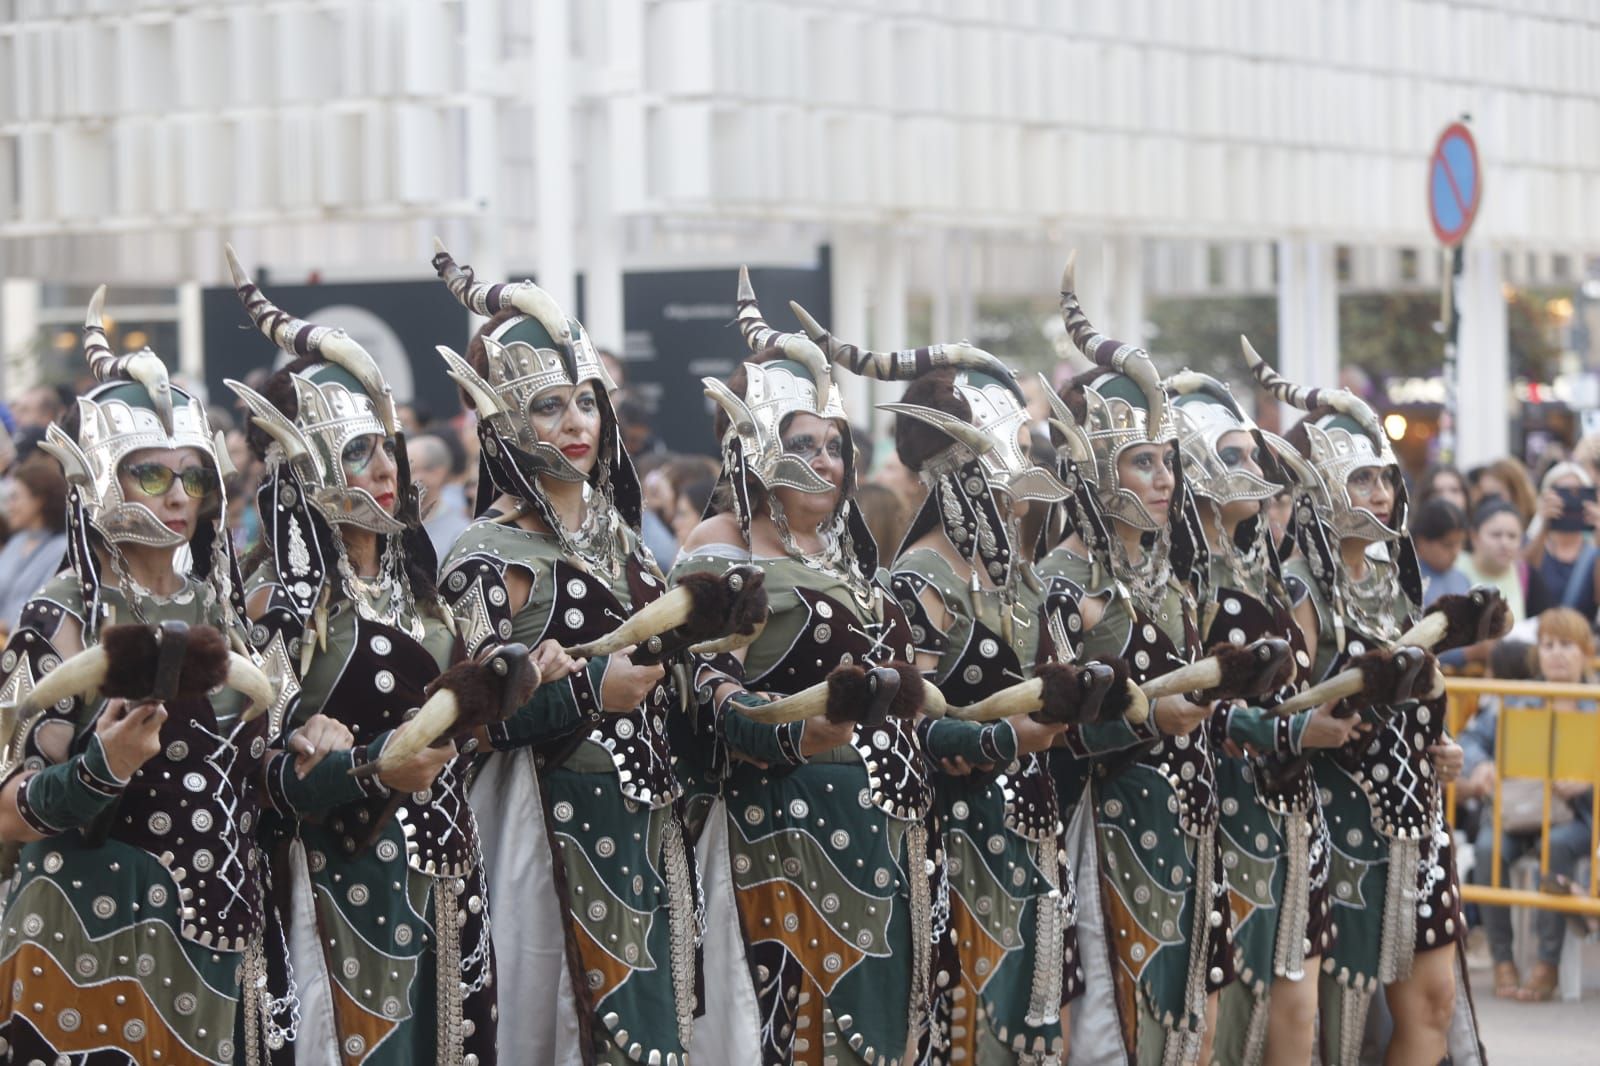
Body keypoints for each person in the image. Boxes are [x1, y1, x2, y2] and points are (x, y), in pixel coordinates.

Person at [225, 250, 513, 1065]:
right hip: (342, 878)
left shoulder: (424, 591)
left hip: (449, 865)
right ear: (306, 467)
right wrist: (338, 759)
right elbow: (257, 771)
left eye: (389, 448)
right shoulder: (275, 607)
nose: (387, 470)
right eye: (358, 453)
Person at [0, 288, 286, 1064]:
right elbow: (10, 811)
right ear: (101, 479)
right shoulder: (58, 615)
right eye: (150, 475)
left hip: (226, 927)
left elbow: (260, 774)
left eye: (193, 477)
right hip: (90, 932)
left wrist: (329, 748)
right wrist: (104, 767)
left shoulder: (224, 610)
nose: (178, 497)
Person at [431, 243, 700, 1065]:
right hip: (538, 825)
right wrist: (592, 694)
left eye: (586, 401)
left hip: (647, 818)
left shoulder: (624, 538)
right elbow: (477, 721)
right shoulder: (484, 554)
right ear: (507, 421)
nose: (577, 422)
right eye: (550, 406)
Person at [799, 310, 1086, 1061]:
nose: (1025, 475)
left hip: (1033, 834)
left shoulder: (1021, 577)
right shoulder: (921, 579)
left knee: (1028, 1039)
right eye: (1011, 453)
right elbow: (906, 726)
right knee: (967, 1036)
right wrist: (998, 736)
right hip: (956, 841)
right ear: (962, 465)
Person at [671, 270, 936, 1065]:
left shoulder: (849, 550)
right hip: (779, 829)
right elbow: (699, 689)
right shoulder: (725, 539)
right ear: (758, 449)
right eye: (803, 444)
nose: (825, 461)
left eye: (836, 445)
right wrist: (791, 736)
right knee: (797, 1036)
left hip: (885, 825)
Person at [1243, 348, 1480, 1066]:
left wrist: (1445, 748)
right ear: (1319, 488)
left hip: (1416, 818)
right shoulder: (1292, 586)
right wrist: (1306, 731)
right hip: (1333, 819)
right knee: (1337, 1020)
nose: (1379, 494)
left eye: (1384, 477)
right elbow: (1272, 712)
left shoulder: (1394, 576)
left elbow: (1426, 690)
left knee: (1434, 1000)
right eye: (1361, 478)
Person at [1036, 262, 1231, 1066]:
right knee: (1119, 1034)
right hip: (1103, 832)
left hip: (1188, 821)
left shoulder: (1174, 572)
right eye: (1141, 462)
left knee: (1193, 1032)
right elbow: (1053, 733)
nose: (1164, 480)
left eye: (1168, 461)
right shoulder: (1058, 580)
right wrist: (1147, 717)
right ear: (1092, 466)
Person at [1165, 369, 1361, 1066]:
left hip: (1292, 812)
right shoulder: (1181, 581)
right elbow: (1190, 710)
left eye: (1254, 455)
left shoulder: (1269, 569)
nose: (1254, 470)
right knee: (1231, 1022)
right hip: (1223, 810)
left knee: (1296, 1017)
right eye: (1233, 456)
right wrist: (1287, 731)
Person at [1458, 608, 1597, 1003]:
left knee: (1560, 845)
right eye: (1548, 645)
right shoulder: (1516, 699)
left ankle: (1547, 963)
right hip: (1518, 813)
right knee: (1487, 847)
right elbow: (1469, 739)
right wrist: (1480, 765)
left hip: (1581, 819)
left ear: (1585, 651)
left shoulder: (1597, 701)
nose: (1557, 654)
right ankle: (1503, 959)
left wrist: (1589, 783)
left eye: (1567, 645)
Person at [1524, 461, 1600, 624]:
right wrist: (1544, 524)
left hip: (1581, 642)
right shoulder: (1532, 544)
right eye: (1561, 493)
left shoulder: (1594, 552)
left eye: (1578, 493)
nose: (1568, 502)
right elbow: (1523, 579)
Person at [0, 455, 68, 632]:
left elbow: (43, 612)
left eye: (15, 498)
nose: (10, 507)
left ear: (38, 500)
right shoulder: (17, 542)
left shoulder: (61, 550)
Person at [1459, 500, 1542, 626]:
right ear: (1474, 537)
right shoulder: (1453, 567)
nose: (1504, 543)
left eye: (1512, 536)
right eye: (1496, 535)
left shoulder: (1526, 575)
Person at [409, 431, 473, 557]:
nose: (400, 479)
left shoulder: (460, 533)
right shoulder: (392, 524)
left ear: (437, 473)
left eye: (411, 470)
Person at [1411, 498, 1471, 607]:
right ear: (1422, 542)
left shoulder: (1462, 579)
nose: (1456, 552)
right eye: (1448, 545)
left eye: (1460, 543)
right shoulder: (1409, 583)